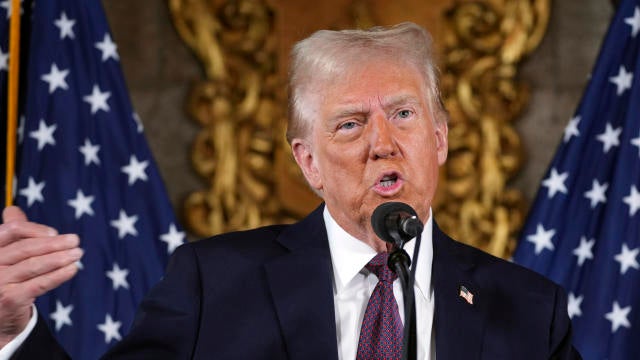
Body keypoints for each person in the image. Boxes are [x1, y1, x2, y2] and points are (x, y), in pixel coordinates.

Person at [0, 22, 580, 359]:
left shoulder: (530, 310)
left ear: (439, 140)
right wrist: (12, 330)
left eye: (403, 115)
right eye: (351, 123)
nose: (383, 143)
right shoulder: (212, 285)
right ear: (309, 164)